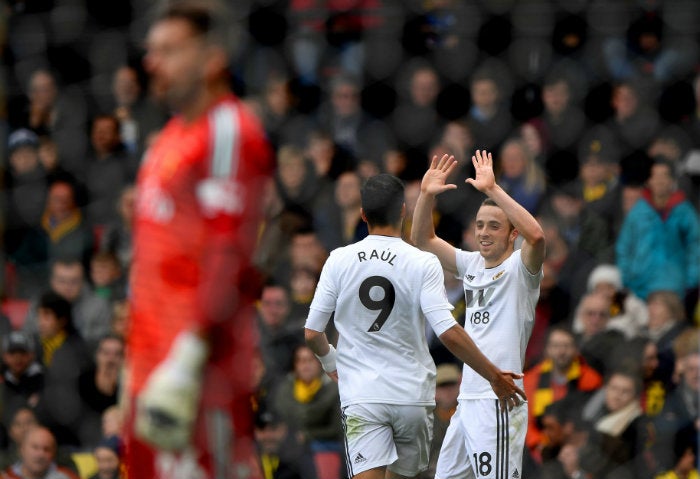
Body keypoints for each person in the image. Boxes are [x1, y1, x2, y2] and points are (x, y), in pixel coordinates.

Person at [124, 1, 274, 478]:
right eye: (152, 50)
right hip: (150, 372)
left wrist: (185, 363)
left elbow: (230, 256)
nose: (152, 61)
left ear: (211, 59)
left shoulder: (228, 130)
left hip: (197, 379)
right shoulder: (168, 138)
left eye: (169, 50)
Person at [304, 173, 525, 479]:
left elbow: (313, 333)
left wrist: (330, 362)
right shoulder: (421, 262)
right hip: (412, 398)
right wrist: (493, 375)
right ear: (402, 211)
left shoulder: (339, 260)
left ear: (363, 214)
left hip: (362, 394)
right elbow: (447, 330)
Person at [411, 151, 546, 479]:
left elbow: (537, 235)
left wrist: (493, 190)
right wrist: (425, 196)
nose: (484, 232)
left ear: (511, 235)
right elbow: (422, 241)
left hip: (500, 398)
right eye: (480, 225)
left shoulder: (521, 268)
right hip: (467, 397)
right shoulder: (471, 264)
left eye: (495, 227)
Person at [616, 157, 700, 303]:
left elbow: (696, 246)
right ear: (648, 181)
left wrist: (690, 280)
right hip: (639, 287)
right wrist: (628, 276)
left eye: (664, 176)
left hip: (676, 288)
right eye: (655, 176)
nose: (660, 181)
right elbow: (624, 247)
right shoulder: (637, 212)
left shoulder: (685, 212)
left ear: (672, 181)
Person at [0, 426, 79, 479]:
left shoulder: (67, 476)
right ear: (22, 449)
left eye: (46, 449)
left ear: (53, 454)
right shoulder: (5, 476)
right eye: (35, 447)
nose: (40, 454)